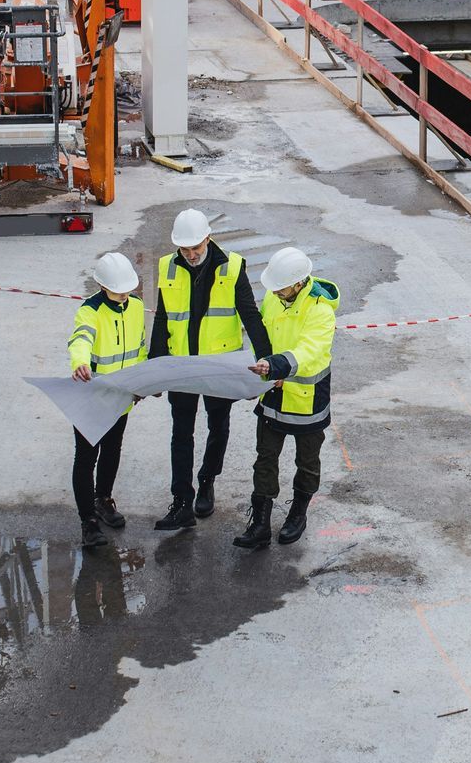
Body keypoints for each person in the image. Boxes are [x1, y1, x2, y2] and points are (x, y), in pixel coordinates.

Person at [149, 209, 273, 532]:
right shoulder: (168, 267)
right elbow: (162, 317)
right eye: (184, 250)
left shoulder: (232, 268)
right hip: (182, 365)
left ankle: (207, 480)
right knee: (181, 433)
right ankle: (181, 501)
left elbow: (251, 316)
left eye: (196, 248)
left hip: (219, 365)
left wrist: (268, 362)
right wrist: (155, 366)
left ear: (208, 238)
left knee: (218, 427)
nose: (190, 255)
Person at [234, 248, 340, 551]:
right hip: (273, 391)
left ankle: (298, 513)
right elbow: (264, 334)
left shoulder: (320, 310)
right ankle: (260, 524)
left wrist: (277, 365)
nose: (275, 293)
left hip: (307, 398)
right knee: (265, 457)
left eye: (281, 287)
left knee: (307, 460)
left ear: (298, 283)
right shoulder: (274, 297)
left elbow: (311, 350)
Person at [68, 252, 147, 548]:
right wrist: (80, 362)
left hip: (122, 397)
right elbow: (81, 340)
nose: (124, 293)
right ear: (102, 286)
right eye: (118, 289)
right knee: (87, 457)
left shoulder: (136, 307)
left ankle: (104, 500)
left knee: (113, 449)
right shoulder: (89, 311)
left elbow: (140, 348)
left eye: (127, 288)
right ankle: (88, 520)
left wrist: (139, 383)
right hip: (92, 398)